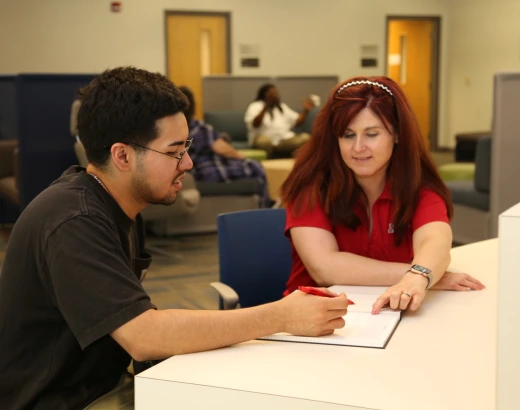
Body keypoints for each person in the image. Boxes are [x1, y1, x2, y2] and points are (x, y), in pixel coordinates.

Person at [0, 67, 349, 410]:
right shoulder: (74, 220)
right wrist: (281, 317)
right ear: (122, 155)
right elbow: (144, 336)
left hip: (104, 384)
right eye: (174, 151)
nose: (188, 163)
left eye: (187, 147)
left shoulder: (119, 206)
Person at [280, 77, 485, 314]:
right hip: (305, 321)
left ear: (397, 134)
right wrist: (421, 274)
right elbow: (325, 268)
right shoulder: (311, 185)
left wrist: (420, 274)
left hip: (386, 316)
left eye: (371, 134)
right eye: (347, 135)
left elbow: (435, 241)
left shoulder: (419, 188)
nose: (358, 147)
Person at [178, 86, 271, 207]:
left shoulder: (175, 129)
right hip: (207, 170)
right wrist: (240, 156)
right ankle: (265, 206)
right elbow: (221, 149)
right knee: (255, 167)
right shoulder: (198, 127)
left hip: (192, 173)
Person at [244, 83, 313, 158]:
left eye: (276, 92)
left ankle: (294, 163)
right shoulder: (255, 106)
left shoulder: (282, 107)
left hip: (283, 140)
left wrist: (306, 111)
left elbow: (297, 122)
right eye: (272, 93)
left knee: (305, 138)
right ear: (264, 95)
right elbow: (255, 124)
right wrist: (266, 106)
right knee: (264, 142)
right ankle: (267, 166)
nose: (275, 95)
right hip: (264, 139)